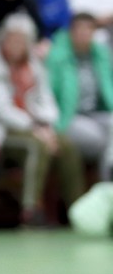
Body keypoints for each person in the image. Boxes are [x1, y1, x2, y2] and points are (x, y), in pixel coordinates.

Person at [0, 14, 85, 225]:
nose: (17, 44)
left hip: (33, 126)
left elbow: (45, 98)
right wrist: (35, 127)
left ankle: (77, 210)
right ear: (2, 39)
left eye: (22, 40)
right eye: (12, 39)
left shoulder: (33, 64)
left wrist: (46, 125)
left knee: (66, 145)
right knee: (36, 146)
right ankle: (30, 211)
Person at [47, 13, 113, 176]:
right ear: (71, 32)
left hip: (97, 113)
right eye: (80, 30)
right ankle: (106, 183)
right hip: (69, 116)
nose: (84, 34)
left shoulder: (101, 55)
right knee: (101, 140)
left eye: (88, 30)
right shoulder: (56, 57)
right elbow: (48, 92)